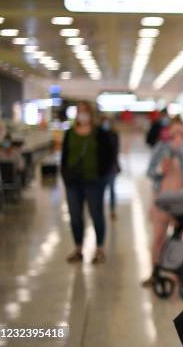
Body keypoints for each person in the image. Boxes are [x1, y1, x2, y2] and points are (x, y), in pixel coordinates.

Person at [142, 116, 183, 286]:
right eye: (174, 131)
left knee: (179, 237)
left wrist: (179, 147)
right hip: (161, 200)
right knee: (158, 236)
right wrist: (160, 168)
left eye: (181, 131)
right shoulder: (161, 148)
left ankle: (178, 273)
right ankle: (155, 272)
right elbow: (150, 172)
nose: (177, 134)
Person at [61, 101, 114, 264]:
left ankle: (99, 248)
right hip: (73, 182)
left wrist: (102, 175)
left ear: (91, 114)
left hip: (94, 181)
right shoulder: (70, 133)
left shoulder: (100, 133)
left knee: (96, 214)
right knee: (75, 216)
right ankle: (78, 248)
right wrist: (64, 175)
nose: (82, 114)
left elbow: (109, 156)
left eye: (85, 111)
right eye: (79, 111)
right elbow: (64, 156)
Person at [101, 116, 121, 220]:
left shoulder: (114, 135)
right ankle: (100, 210)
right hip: (101, 168)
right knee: (101, 190)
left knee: (112, 189)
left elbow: (116, 151)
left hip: (111, 167)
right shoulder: (99, 135)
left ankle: (112, 209)